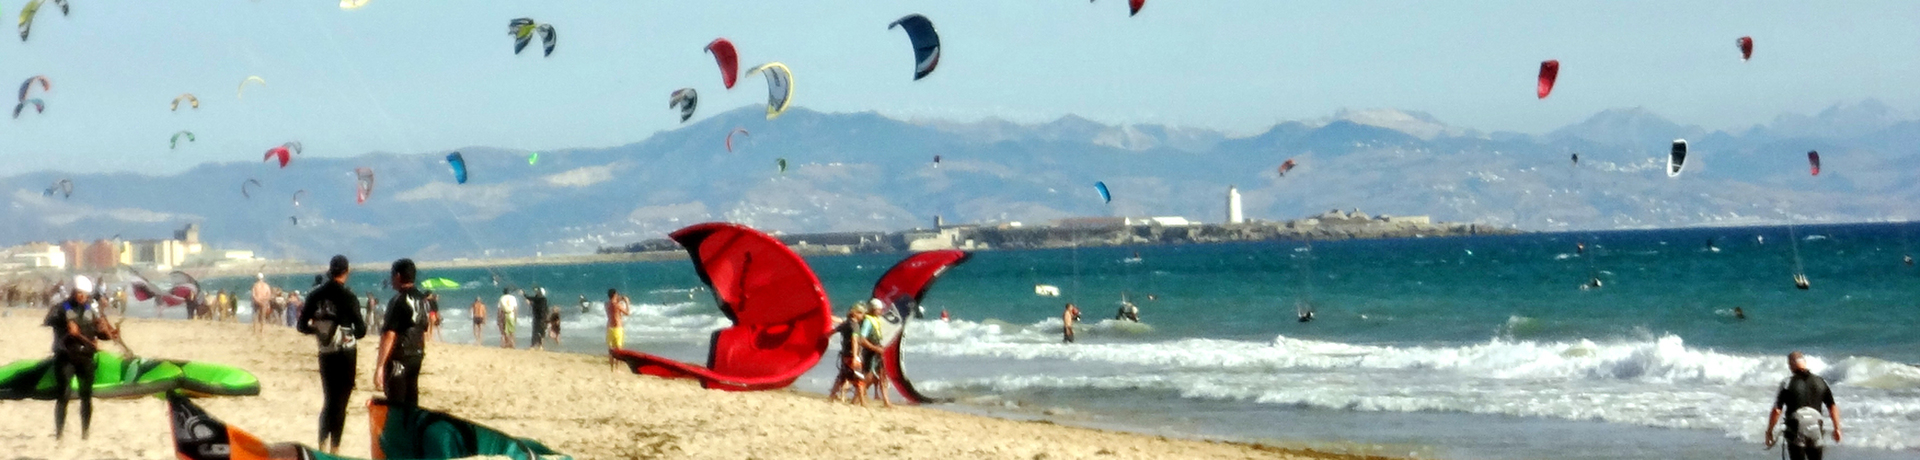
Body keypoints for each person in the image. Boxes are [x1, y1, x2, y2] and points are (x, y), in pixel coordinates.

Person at [296, 256, 366, 455]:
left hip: (325, 352)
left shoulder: (315, 295)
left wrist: (318, 331)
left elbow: (301, 326)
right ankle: (335, 449)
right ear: (347, 271)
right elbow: (361, 329)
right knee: (341, 402)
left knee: (329, 400)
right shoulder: (348, 296)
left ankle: (321, 446)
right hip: (346, 353)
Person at [44, 275, 116, 440]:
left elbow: (100, 333)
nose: (81, 296)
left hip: (86, 357)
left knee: (86, 396)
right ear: (73, 292)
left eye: (84, 294)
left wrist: (108, 334)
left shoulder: (93, 309)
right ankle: (59, 433)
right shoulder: (62, 307)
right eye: (79, 293)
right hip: (66, 357)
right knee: (64, 394)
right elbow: (48, 321)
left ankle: (85, 433)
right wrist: (64, 323)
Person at [374, 259, 431, 407]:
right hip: (417, 355)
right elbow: (424, 328)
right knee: (411, 399)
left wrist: (380, 366)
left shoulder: (398, 300)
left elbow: (389, 335)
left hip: (399, 358)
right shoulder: (423, 300)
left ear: (398, 276)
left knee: (396, 403)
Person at [1766, 351, 1841, 460]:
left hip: (1796, 429)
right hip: (1815, 428)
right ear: (1804, 363)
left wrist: (1769, 431)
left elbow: (1777, 410)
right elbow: (1832, 407)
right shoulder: (1820, 382)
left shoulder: (1787, 383)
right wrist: (1837, 428)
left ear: (1791, 365)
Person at [828, 304, 872, 405]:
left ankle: (832, 396)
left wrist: (822, 338)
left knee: (842, 376)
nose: (863, 316)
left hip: (844, 354)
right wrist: (856, 356)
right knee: (859, 379)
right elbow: (854, 340)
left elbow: (832, 332)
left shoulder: (846, 323)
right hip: (852, 355)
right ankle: (862, 401)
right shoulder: (855, 325)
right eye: (861, 313)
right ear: (855, 313)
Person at [605, 289, 629, 370]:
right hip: (617, 328)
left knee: (611, 349)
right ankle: (617, 368)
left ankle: (611, 368)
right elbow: (627, 313)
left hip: (609, 328)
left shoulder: (606, 304)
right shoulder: (617, 305)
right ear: (615, 295)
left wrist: (619, 298)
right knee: (618, 349)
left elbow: (613, 302)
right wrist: (627, 303)